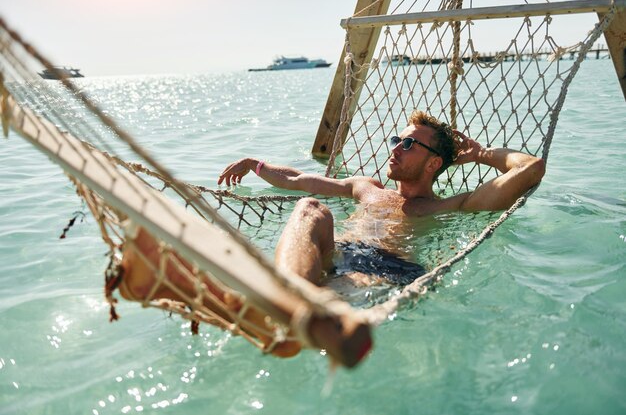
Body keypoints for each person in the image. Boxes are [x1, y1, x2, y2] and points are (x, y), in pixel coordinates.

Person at [116, 110, 544, 366]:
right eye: (397, 139)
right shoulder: (366, 187)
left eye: (409, 145)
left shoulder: (448, 206)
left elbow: (531, 168)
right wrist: (256, 164)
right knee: (310, 210)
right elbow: (302, 180)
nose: (394, 147)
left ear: (434, 164)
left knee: (290, 322)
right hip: (334, 260)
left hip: (385, 274)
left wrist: (483, 154)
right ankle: (284, 296)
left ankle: (248, 300)